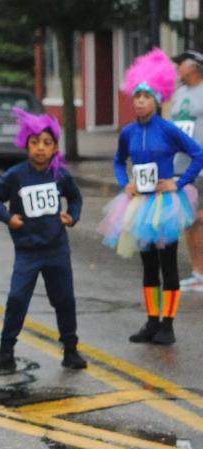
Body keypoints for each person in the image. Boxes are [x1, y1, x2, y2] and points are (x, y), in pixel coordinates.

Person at [99, 48, 203, 346]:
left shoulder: (168, 130)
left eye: (146, 97)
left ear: (157, 101)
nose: (141, 102)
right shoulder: (128, 132)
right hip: (139, 204)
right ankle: (151, 320)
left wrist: (180, 183)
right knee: (147, 266)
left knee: (168, 263)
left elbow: (198, 154)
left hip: (165, 204)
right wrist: (125, 184)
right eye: (137, 97)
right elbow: (119, 161)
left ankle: (168, 325)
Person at [0, 109, 87, 373]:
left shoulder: (60, 175)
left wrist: (72, 217)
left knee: (64, 299)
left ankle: (71, 350)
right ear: (26, 144)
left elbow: (75, 198)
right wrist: (8, 217)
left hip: (56, 249)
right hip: (27, 250)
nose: (40, 149)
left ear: (55, 148)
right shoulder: (17, 175)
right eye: (35, 142)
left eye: (47, 143)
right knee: (17, 298)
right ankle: (6, 352)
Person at [169, 49, 203, 291]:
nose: (178, 67)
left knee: (199, 220)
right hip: (181, 166)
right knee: (190, 222)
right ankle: (198, 271)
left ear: (194, 66)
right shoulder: (179, 93)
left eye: (181, 64)